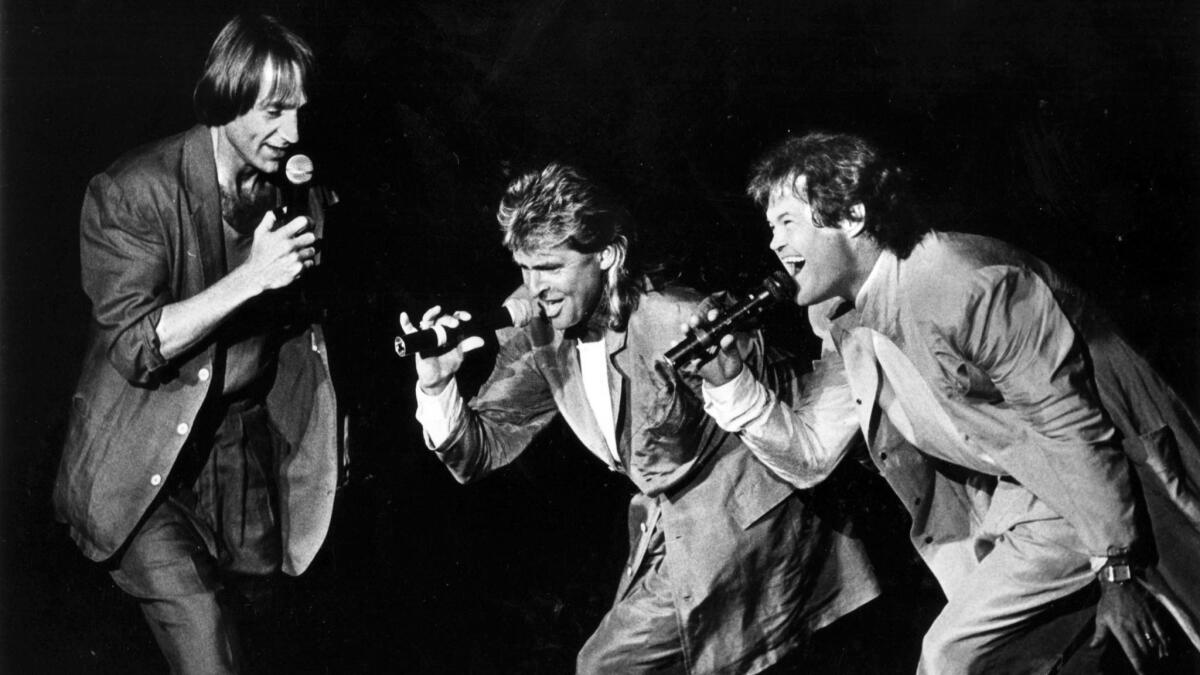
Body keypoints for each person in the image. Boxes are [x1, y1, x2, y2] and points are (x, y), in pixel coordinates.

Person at [691, 131, 1200, 673]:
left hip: (1106, 492)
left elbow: (1067, 425)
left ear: (853, 216)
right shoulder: (841, 316)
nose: (774, 243)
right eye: (771, 227)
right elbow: (812, 453)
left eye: (787, 221)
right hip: (1025, 506)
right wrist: (730, 380)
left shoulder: (963, 283)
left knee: (950, 655)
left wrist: (1116, 568)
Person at [400, 162, 880, 674]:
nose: (534, 288)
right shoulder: (539, 329)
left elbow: (793, 421)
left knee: (606, 667)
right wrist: (436, 385)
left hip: (754, 526)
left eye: (550, 268)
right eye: (524, 268)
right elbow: (479, 449)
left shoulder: (673, 318)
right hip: (672, 531)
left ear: (607, 255)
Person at [54, 14, 340, 674]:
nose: (291, 133)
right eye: (272, 111)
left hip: (240, 459)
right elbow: (135, 345)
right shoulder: (133, 192)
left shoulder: (297, 194)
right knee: (206, 638)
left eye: (298, 111)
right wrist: (251, 278)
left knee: (257, 632)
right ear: (227, 93)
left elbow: (300, 329)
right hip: (144, 461)